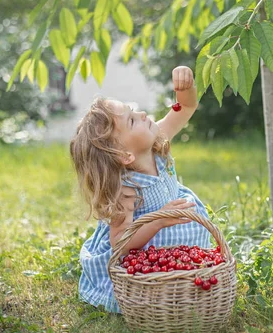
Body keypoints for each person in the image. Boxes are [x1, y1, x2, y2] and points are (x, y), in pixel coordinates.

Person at [69, 66, 212, 313]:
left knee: (190, 268)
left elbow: (186, 107)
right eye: (132, 119)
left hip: (176, 229)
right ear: (125, 155)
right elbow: (121, 245)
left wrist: (185, 88)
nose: (143, 114)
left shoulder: (157, 141)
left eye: (133, 111)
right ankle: (163, 291)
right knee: (152, 287)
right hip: (146, 248)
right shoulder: (125, 188)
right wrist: (158, 221)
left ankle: (184, 280)